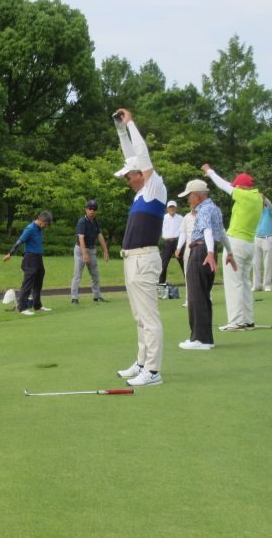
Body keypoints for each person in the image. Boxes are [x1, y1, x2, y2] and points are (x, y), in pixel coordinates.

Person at [111, 108, 167, 387]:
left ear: (140, 175)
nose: (127, 180)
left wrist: (131, 124)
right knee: (139, 317)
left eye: (128, 176)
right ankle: (142, 362)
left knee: (149, 317)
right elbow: (131, 157)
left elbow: (141, 156)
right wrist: (121, 131)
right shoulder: (140, 193)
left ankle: (153, 371)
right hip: (132, 259)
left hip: (145, 259)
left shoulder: (154, 186)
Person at [201, 164, 263, 332]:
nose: (235, 188)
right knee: (244, 282)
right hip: (249, 244)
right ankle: (248, 320)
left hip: (236, 243)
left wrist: (209, 172)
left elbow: (223, 185)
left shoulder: (244, 195)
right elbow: (230, 185)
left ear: (242, 187)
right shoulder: (258, 197)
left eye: (237, 186)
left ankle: (236, 321)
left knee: (233, 283)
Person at [176, 180, 237, 351]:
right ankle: (205, 339)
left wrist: (209, 252)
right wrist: (229, 252)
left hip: (201, 252)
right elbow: (222, 232)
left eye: (189, 196)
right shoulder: (215, 209)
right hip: (209, 251)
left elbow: (207, 230)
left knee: (196, 296)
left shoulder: (203, 210)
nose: (188, 199)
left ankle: (199, 339)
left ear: (197, 195)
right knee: (203, 295)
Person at [3, 211, 53, 315]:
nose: (45, 226)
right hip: (30, 258)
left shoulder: (39, 228)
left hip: (38, 258)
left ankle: (37, 305)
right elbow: (20, 241)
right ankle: (22, 307)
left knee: (38, 282)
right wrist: (10, 253)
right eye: (45, 223)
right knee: (28, 283)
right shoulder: (30, 228)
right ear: (40, 219)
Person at [70, 199, 110, 304]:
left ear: (96, 211)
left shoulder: (95, 221)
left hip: (92, 250)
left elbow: (99, 235)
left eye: (94, 209)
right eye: (90, 208)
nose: (92, 211)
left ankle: (97, 296)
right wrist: (84, 253)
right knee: (77, 275)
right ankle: (74, 298)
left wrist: (105, 250)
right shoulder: (82, 221)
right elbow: (81, 238)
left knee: (95, 275)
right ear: (86, 209)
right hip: (80, 249)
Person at [175, 205, 197, 307]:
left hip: (201, 249)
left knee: (202, 275)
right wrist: (179, 247)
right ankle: (189, 300)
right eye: (191, 204)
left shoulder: (204, 215)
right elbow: (183, 234)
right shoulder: (186, 217)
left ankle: (206, 298)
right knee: (188, 274)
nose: (193, 206)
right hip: (188, 249)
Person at [158, 200, 184, 285]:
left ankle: (189, 284)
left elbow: (183, 232)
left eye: (173, 207)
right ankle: (161, 285)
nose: (172, 209)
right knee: (163, 265)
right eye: (170, 207)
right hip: (167, 243)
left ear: (176, 208)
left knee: (183, 263)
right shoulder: (163, 218)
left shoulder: (181, 218)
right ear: (167, 209)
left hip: (178, 243)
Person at [253, 196, 272, 292]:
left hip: (267, 238)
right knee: (255, 263)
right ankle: (257, 285)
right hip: (256, 238)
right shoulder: (255, 212)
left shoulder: (269, 210)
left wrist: (264, 198)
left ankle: (267, 285)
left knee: (267, 263)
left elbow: (270, 204)